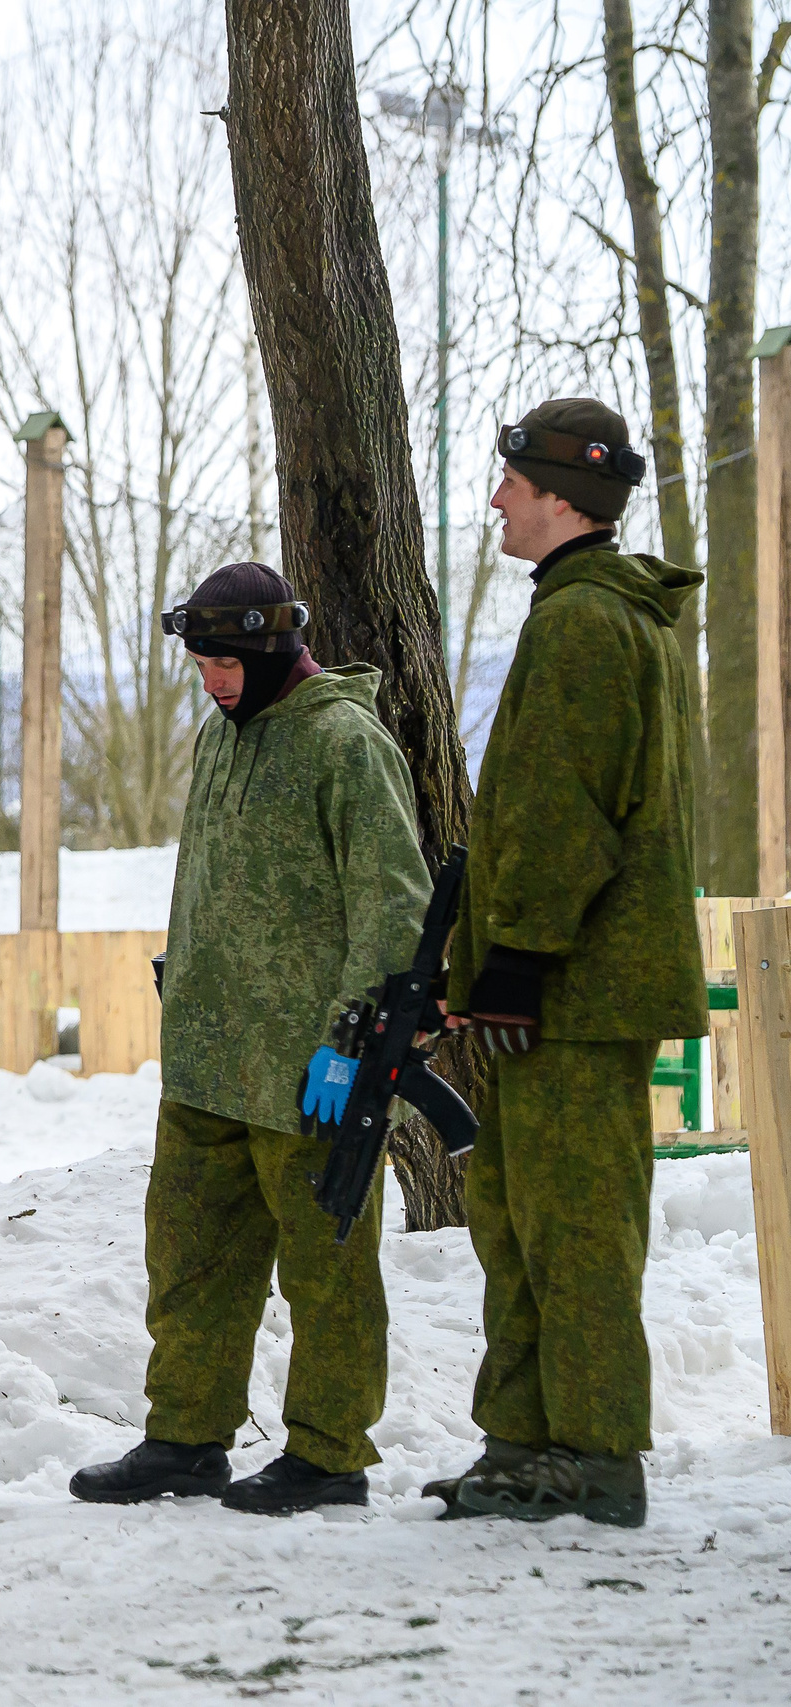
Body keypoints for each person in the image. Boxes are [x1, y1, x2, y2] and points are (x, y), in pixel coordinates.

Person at [66, 562, 428, 1515]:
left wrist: (353, 1035)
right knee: (188, 1260)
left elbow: (396, 903)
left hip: (312, 1070)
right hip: (207, 1063)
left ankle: (329, 1452)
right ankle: (185, 1438)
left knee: (328, 1270)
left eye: (227, 662)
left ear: (274, 651)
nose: (213, 679)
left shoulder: (346, 742)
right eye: (200, 662)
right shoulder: (216, 737)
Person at [427, 399, 703, 1528]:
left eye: (510, 483)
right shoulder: (586, 613)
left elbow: (560, 815)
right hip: (565, 987)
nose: (496, 501)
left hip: (575, 992)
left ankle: (591, 1453)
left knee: (576, 1225)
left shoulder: (587, 623)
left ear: (558, 496)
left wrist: (518, 960)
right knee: (517, 1211)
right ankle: (525, 1441)